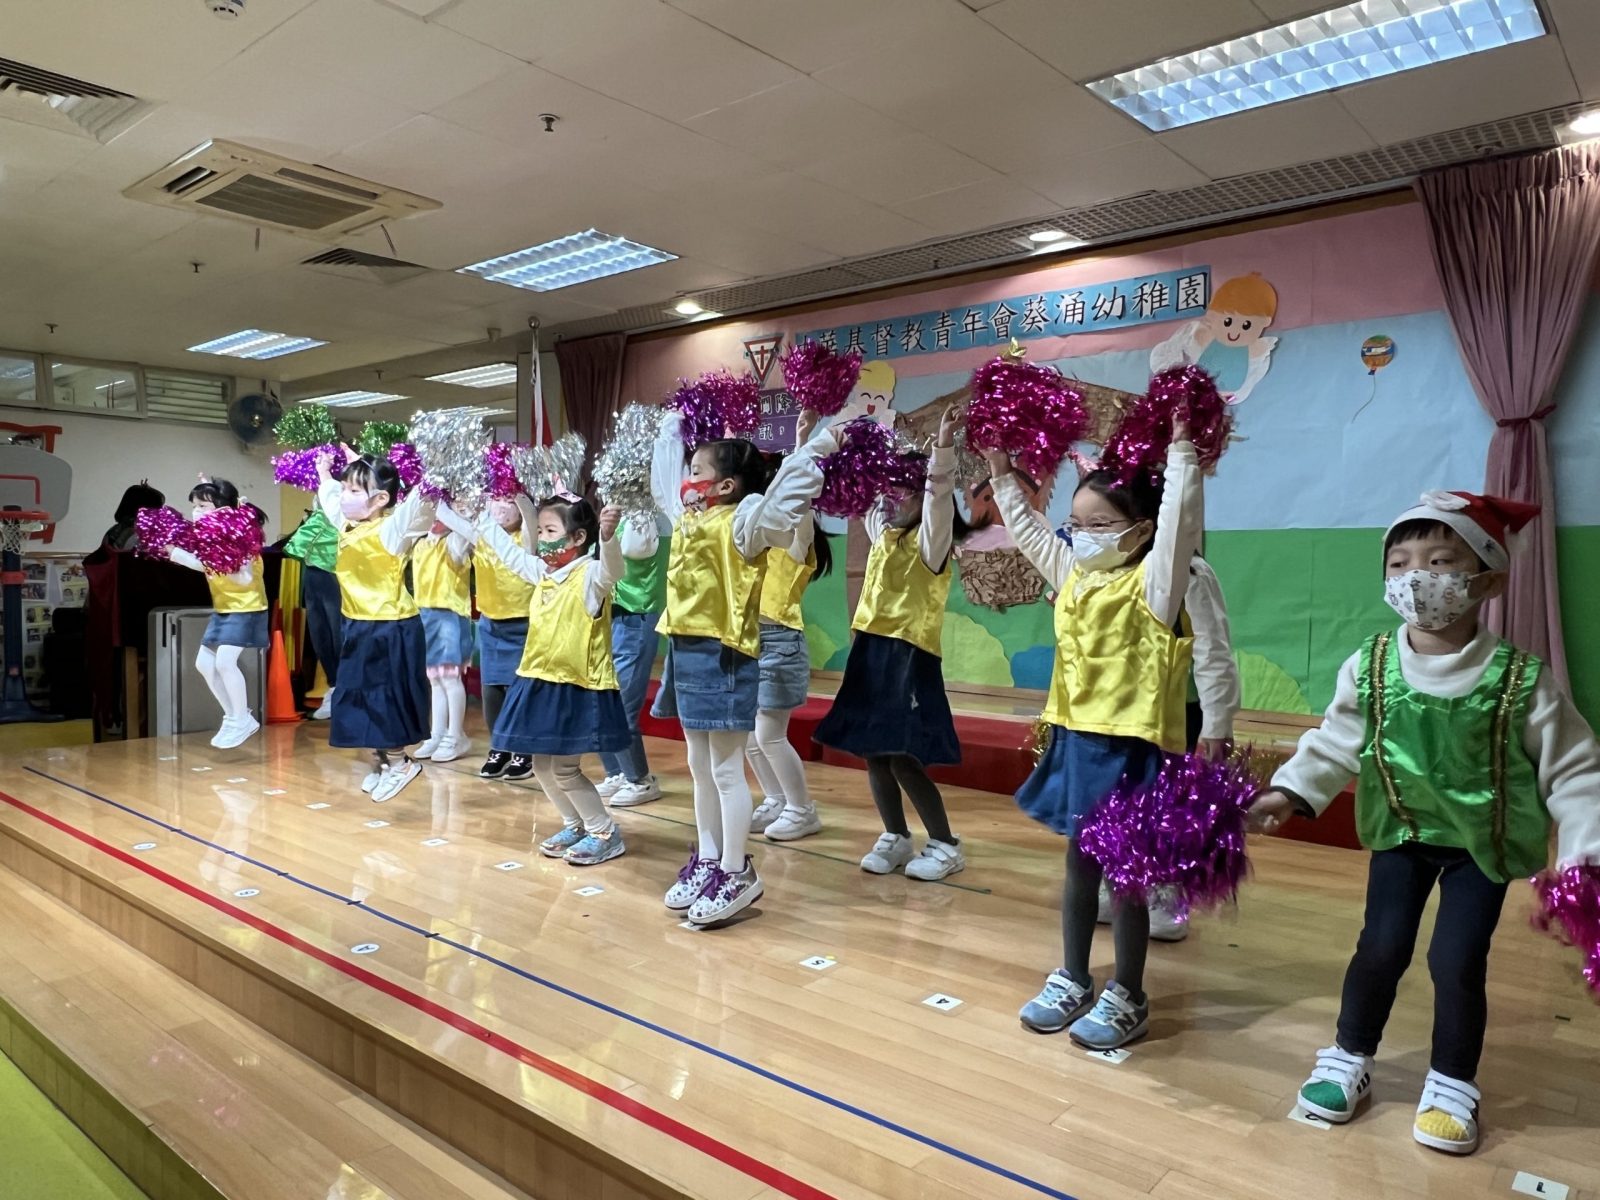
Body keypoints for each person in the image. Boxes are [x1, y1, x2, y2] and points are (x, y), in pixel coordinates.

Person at [1249, 491, 1600, 1156]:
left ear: (1486, 581)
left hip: (1481, 847)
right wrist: (1288, 793)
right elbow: (1334, 740)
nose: (1416, 578)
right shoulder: (1371, 664)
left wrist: (1587, 850)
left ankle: (1452, 1079)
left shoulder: (1521, 680)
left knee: (1456, 959)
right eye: (1400, 563)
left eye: (1440, 562)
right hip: (1401, 835)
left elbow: (1576, 769)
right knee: (1380, 947)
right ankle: (1350, 1054)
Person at [987, 417, 1202, 1051]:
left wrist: (1182, 452)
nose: (1082, 535)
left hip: (1133, 749)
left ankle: (1129, 993)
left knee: (1128, 879)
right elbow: (1029, 530)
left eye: (1100, 524)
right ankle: (1074, 976)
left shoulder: (1158, 581)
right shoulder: (1074, 574)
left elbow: (1180, 524)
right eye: (1076, 524)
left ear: (1141, 530)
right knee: (1079, 868)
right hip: (1076, 743)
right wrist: (1000, 473)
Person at [649, 406, 832, 928]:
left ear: (727, 485)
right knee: (698, 765)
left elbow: (782, 499)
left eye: (698, 471)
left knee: (727, 770)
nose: (687, 479)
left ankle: (736, 870)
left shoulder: (745, 520)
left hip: (725, 653)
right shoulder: (691, 518)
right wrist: (669, 427)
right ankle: (708, 859)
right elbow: (663, 485)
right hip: (684, 650)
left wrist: (814, 447)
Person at [814, 405, 968, 882]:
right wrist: (846, 445)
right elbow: (863, 496)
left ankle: (944, 842)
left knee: (902, 755)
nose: (892, 499)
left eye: (904, 491)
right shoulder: (883, 532)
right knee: (873, 751)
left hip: (909, 657)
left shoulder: (931, 541)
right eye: (888, 490)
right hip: (871, 651)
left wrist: (942, 447)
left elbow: (939, 498)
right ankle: (896, 835)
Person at [464, 494, 633, 866]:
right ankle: (575, 824)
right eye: (539, 531)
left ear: (578, 538)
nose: (541, 539)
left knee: (565, 769)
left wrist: (608, 538)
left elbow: (614, 570)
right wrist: (479, 514)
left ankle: (605, 832)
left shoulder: (591, 575)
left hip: (576, 687)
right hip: (537, 682)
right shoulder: (542, 572)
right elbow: (507, 553)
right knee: (541, 766)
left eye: (550, 531)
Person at [1096, 554, 1241, 941]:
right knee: (1123, 799)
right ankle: (1123, 884)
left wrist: (1216, 722)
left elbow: (1213, 648)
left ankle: (1167, 889)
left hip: (1178, 709)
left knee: (1171, 802)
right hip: (1120, 709)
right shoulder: (1108, 566)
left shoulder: (1190, 573)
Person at [314, 450, 432, 803]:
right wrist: (325, 472)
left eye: (355, 490)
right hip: (357, 623)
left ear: (380, 499)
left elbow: (419, 502)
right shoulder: (347, 525)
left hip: (390, 626)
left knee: (384, 697)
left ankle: (400, 763)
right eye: (346, 488)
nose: (345, 496)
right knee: (354, 696)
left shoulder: (392, 529)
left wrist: (431, 470)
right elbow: (330, 497)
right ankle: (381, 762)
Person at [747, 501, 832, 842]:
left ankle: (802, 809)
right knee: (749, 739)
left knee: (769, 735)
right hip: (749, 642)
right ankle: (777, 799)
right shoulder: (756, 548)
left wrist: (798, 479)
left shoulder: (796, 547)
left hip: (780, 645)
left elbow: (803, 515)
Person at [166, 477, 269, 750]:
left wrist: (221, 561)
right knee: (204, 663)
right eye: (194, 506)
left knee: (224, 662)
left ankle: (242, 719)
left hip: (247, 608)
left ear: (222, 508)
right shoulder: (210, 538)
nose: (196, 512)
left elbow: (245, 579)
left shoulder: (241, 536)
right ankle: (235, 717)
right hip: (224, 609)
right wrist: (174, 552)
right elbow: (204, 566)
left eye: (203, 506)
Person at [596, 512, 672, 808]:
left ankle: (640, 780)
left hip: (637, 618)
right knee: (601, 701)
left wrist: (610, 526)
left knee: (621, 707)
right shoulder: (624, 517)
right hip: (613, 618)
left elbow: (631, 548)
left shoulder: (647, 518)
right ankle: (617, 772)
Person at [463, 494, 536, 779]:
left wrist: (519, 493)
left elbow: (530, 516)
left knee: (520, 692)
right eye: (496, 499)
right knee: (491, 690)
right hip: (491, 623)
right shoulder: (482, 533)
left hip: (524, 623)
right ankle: (500, 746)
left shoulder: (527, 538)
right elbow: (451, 518)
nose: (501, 507)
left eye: (509, 501)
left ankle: (524, 751)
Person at [410, 520, 475, 764]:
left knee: (449, 678)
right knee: (435, 680)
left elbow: (462, 537)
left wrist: (453, 514)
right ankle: (437, 733)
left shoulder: (456, 540)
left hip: (449, 615)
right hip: (425, 615)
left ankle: (456, 734)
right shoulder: (421, 542)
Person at [283, 505, 342, 719]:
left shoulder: (341, 497)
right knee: (320, 635)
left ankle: (346, 690)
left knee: (339, 634)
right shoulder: (319, 500)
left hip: (335, 568)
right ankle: (334, 687)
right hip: (313, 569)